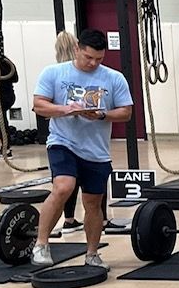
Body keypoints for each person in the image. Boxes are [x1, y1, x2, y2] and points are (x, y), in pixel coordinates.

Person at [30, 29, 134, 270]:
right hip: (62, 142)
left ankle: (92, 253)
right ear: (77, 48)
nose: (93, 63)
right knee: (63, 186)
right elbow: (39, 106)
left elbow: (126, 112)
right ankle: (41, 244)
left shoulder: (113, 78)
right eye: (88, 57)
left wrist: (101, 115)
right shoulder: (54, 73)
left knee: (92, 202)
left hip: (96, 150)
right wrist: (66, 110)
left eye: (98, 59)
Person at [50, 31, 84, 233]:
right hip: (71, 135)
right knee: (74, 181)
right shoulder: (64, 74)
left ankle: (69, 219)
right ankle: (102, 220)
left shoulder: (54, 72)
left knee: (66, 182)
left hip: (71, 134)